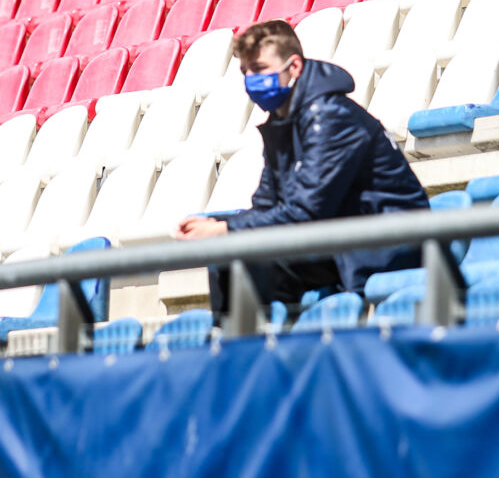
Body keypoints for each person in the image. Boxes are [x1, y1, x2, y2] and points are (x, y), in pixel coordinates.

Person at [175, 20, 429, 313]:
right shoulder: (283, 120)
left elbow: (306, 211)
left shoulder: (331, 117)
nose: (251, 80)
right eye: (245, 72)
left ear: (293, 67)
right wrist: (213, 224)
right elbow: (267, 206)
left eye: (259, 69)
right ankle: (240, 345)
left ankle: (267, 344)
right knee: (230, 251)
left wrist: (226, 228)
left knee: (243, 252)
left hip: (384, 243)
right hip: (337, 238)